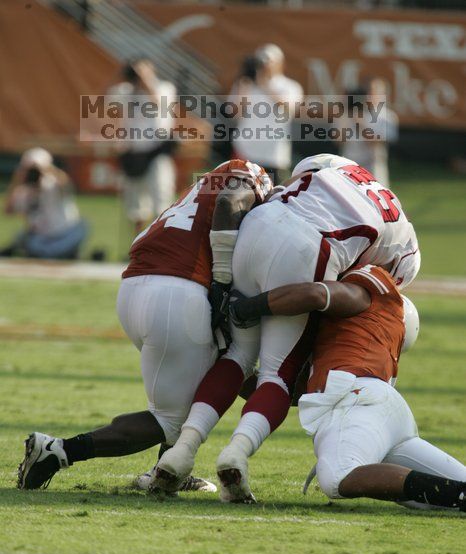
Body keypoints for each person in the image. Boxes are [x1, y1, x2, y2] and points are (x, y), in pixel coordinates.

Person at [150, 153, 421, 501]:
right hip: (310, 246)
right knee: (278, 372)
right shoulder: (406, 247)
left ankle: (181, 450)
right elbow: (360, 289)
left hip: (258, 224)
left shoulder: (337, 165)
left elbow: (294, 183)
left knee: (237, 353)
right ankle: (238, 452)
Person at [17, 159, 272, 492]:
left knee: (195, 387)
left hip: (137, 288)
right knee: (168, 421)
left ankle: (168, 471)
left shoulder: (195, 193)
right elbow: (230, 201)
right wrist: (222, 279)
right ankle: (58, 451)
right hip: (178, 294)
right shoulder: (250, 176)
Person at [225, 265, 466, 510]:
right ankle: (460, 493)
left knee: (337, 476)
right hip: (386, 414)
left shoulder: (367, 297)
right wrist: (232, 374)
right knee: (443, 495)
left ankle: (461, 495)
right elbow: (285, 391)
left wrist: (243, 309)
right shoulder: (360, 341)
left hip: (357, 400)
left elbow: (316, 295)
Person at [110, 58, 177, 234]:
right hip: (134, 151)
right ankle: (138, 245)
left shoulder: (165, 88)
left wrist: (146, 79)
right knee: (135, 204)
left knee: (161, 196)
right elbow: (108, 100)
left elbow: (158, 103)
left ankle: (162, 242)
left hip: (157, 149)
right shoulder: (126, 91)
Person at [228, 44, 303, 183]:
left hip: (273, 154)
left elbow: (289, 108)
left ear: (280, 63)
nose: (265, 65)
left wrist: (265, 85)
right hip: (245, 150)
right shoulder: (246, 84)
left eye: (269, 61)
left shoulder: (289, 86)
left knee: (271, 197)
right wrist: (243, 90)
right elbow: (234, 114)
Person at [1, 148, 87, 259]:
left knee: (82, 227)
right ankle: (58, 254)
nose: (34, 173)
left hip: (65, 233)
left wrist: (46, 169)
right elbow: (7, 211)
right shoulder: (23, 191)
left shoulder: (53, 185)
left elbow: (66, 184)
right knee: (24, 237)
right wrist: (17, 179)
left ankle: (59, 253)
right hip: (41, 238)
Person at [340, 78, 399, 187]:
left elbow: (375, 142)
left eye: (374, 92)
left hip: (373, 166)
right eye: (367, 92)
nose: (369, 96)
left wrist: (359, 123)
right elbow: (338, 140)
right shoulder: (352, 112)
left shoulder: (387, 117)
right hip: (350, 164)